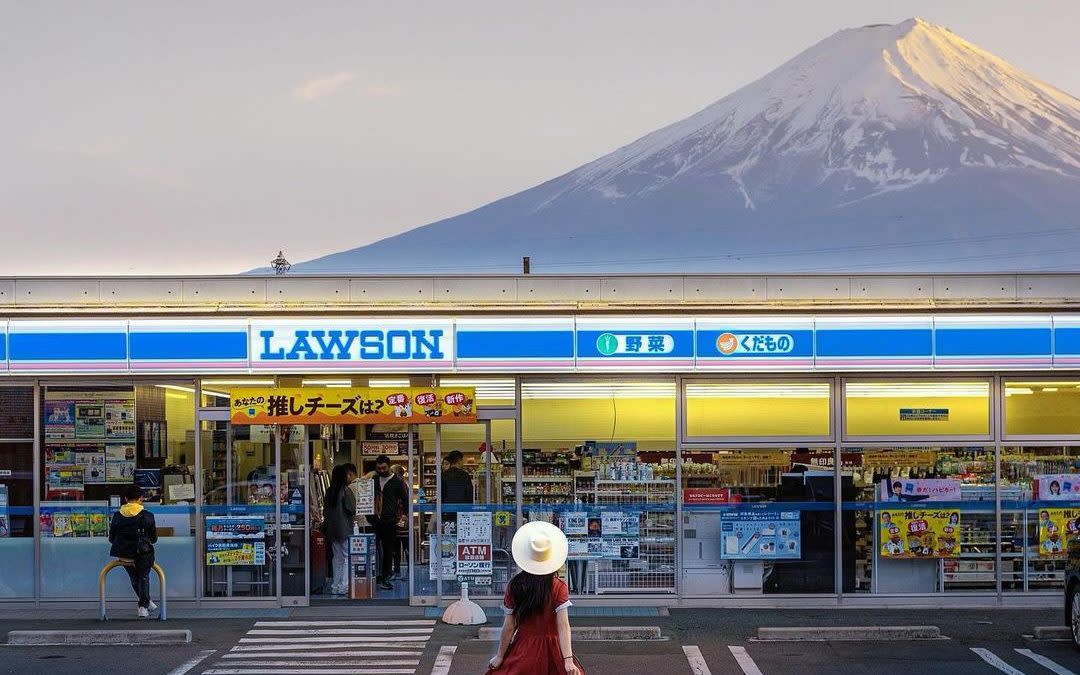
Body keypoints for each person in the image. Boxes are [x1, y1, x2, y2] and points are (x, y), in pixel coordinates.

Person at [488, 521, 584, 675]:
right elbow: (563, 625)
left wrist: (500, 656)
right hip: (553, 651)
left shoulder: (515, 585)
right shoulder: (558, 586)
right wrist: (568, 660)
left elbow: (509, 626)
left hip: (523, 649)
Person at [108, 485, 158, 618]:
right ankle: (143, 606)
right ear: (141, 499)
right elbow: (153, 539)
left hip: (124, 554)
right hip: (143, 554)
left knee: (134, 577)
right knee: (144, 576)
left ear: (125, 499)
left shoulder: (117, 516)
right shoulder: (148, 516)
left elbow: (111, 538)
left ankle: (147, 602)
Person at [370, 455, 407, 591]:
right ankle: (375, 576)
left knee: (388, 549)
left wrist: (404, 515)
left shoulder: (397, 481)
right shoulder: (373, 480)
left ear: (388, 467)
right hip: (373, 519)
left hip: (390, 520)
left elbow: (405, 499)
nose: (381, 470)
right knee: (373, 549)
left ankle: (385, 576)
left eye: (384, 468)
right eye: (378, 468)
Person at [324, 463, 358, 596]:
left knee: (336, 557)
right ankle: (344, 586)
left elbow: (325, 512)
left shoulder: (329, 491)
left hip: (331, 529)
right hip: (344, 528)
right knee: (346, 557)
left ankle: (335, 585)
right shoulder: (345, 490)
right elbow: (352, 508)